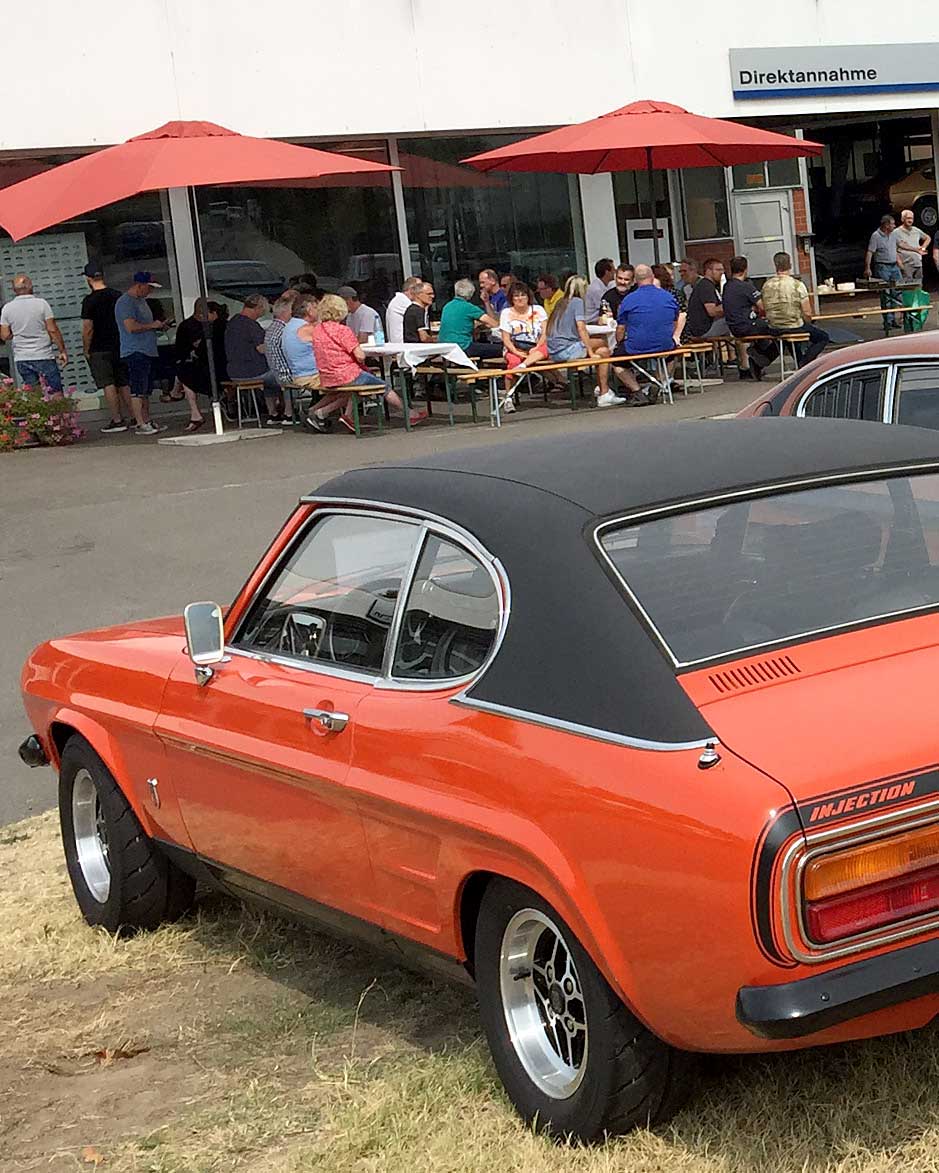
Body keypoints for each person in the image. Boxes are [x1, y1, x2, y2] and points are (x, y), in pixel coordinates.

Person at [306, 293, 426, 433]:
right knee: (383, 386)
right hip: (347, 374)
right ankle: (409, 414)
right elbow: (360, 355)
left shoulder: (317, 331)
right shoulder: (342, 331)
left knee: (350, 390)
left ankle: (331, 413)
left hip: (327, 375)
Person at [545, 274, 621, 406]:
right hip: (567, 349)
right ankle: (603, 391)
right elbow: (581, 328)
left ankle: (604, 390)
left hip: (555, 350)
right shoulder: (577, 302)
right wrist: (590, 352)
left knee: (603, 351)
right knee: (603, 343)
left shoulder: (560, 302)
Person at [614, 263, 680, 403]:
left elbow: (620, 328)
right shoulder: (668, 297)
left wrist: (619, 343)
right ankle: (657, 383)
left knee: (616, 361)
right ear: (652, 277)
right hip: (664, 344)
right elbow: (674, 322)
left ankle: (637, 391)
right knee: (672, 355)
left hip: (636, 346)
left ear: (635, 280)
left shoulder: (629, 299)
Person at [80, 262, 132, 433]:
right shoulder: (117, 295)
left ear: (88, 279)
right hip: (120, 344)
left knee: (108, 384)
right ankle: (135, 416)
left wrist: (86, 349)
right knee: (124, 382)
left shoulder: (89, 301)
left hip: (99, 347)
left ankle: (117, 419)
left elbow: (88, 328)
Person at [114, 271, 168, 435]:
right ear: (139, 285)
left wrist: (159, 326)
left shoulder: (142, 301)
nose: (150, 291)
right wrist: (153, 325)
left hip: (147, 349)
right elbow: (130, 327)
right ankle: (139, 422)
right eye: (149, 287)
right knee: (137, 388)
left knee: (145, 389)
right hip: (135, 350)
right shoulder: (125, 303)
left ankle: (147, 420)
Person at [0, 273, 68, 392]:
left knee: (35, 394)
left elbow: (4, 335)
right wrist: (62, 350)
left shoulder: (7, 308)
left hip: (22, 357)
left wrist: (17, 333)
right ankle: (61, 411)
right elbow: (52, 329)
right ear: (30, 286)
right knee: (55, 391)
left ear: (14, 289)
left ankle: (39, 411)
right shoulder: (41, 304)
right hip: (43, 354)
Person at [761, 251, 829, 367]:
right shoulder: (797, 285)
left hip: (774, 326)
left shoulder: (766, 285)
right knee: (822, 337)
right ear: (790, 265)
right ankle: (804, 363)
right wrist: (809, 321)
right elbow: (807, 312)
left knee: (785, 338)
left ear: (775, 265)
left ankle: (762, 359)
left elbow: (763, 307)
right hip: (793, 325)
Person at [225, 294, 284, 424]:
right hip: (253, 371)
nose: (264, 312)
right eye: (264, 309)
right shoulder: (251, 325)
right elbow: (262, 348)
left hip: (234, 372)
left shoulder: (233, 322)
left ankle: (273, 413)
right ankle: (287, 412)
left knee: (271, 378)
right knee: (282, 377)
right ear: (258, 308)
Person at [720, 256, 777, 380]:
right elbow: (763, 307)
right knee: (779, 330)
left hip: (734, 327)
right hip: (748, 326)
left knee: (764, 330)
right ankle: (760, 359)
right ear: (745, 269)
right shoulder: (746, 286)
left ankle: (757, 354)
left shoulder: (727, 286)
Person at [499, 281, 548, 412]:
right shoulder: (506, 313)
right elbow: (506, 339)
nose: (520, 298)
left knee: (546, 348)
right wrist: (516, 352)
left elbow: (545, 332)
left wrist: (537, 346)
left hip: (536, 347)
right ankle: (508, 398)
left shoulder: (538, 310)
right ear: (511, 298)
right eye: (516, 296)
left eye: (523, 295)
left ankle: (523, 365)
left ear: (528, 297)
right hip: (515, 347)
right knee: (513, 361)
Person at [173, 298, 219, 431]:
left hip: (210, 364)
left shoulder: (213, 325)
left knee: (184, 374)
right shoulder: (188, 326)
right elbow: (182, 350)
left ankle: (176, 393)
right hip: (200, 364)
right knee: (186, 373)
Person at [439, 279, 500, 358]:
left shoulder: (447, 306)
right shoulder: (469, 307)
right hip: (463, 347)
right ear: (471, 293)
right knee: (501, 349)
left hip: (446, 347)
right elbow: (494, 323)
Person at [864, 214, 901, 328]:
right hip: (883, 267)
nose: (894, 226)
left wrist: (915, 249)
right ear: (886, 225)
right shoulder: (876, 236)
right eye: (892, 224)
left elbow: (900, 245)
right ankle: (887, 321)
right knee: (885, 294)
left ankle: (894, 318)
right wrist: (867, 267)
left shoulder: (894, 235)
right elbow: (870, 252)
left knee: (897, 292)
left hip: (894, 266)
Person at [684, 258, 730, 340]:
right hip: (705, 330)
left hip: (700, 329)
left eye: (723, 270)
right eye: (718, 270)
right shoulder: (706, 286)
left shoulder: (704, 284)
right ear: (708, 271)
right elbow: (712, 311)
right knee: (736, 320)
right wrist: (732, 306)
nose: (722, 273)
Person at [895, 209, 930, 285]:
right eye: (908, 218)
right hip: (906, 265)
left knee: (918, 286)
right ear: (902, 219)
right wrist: (899, 263)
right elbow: (895, 248)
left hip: (918, 263)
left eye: (912, 218)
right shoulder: (896, 232)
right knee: (907, 287)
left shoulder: (916, 230)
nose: (910, 220)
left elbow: (928, 238)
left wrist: (923, 247)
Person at [386, 275, 423, 343]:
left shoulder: (399, 300)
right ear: (412, 289)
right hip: (402, 345)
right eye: (420, 289)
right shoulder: (402, 302)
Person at [585, 258, 615, 323]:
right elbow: (606, 308)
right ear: (607, 272)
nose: (615, 272)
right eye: (613, 270)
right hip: (592, 322)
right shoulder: (596, 289)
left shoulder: (605, 286)